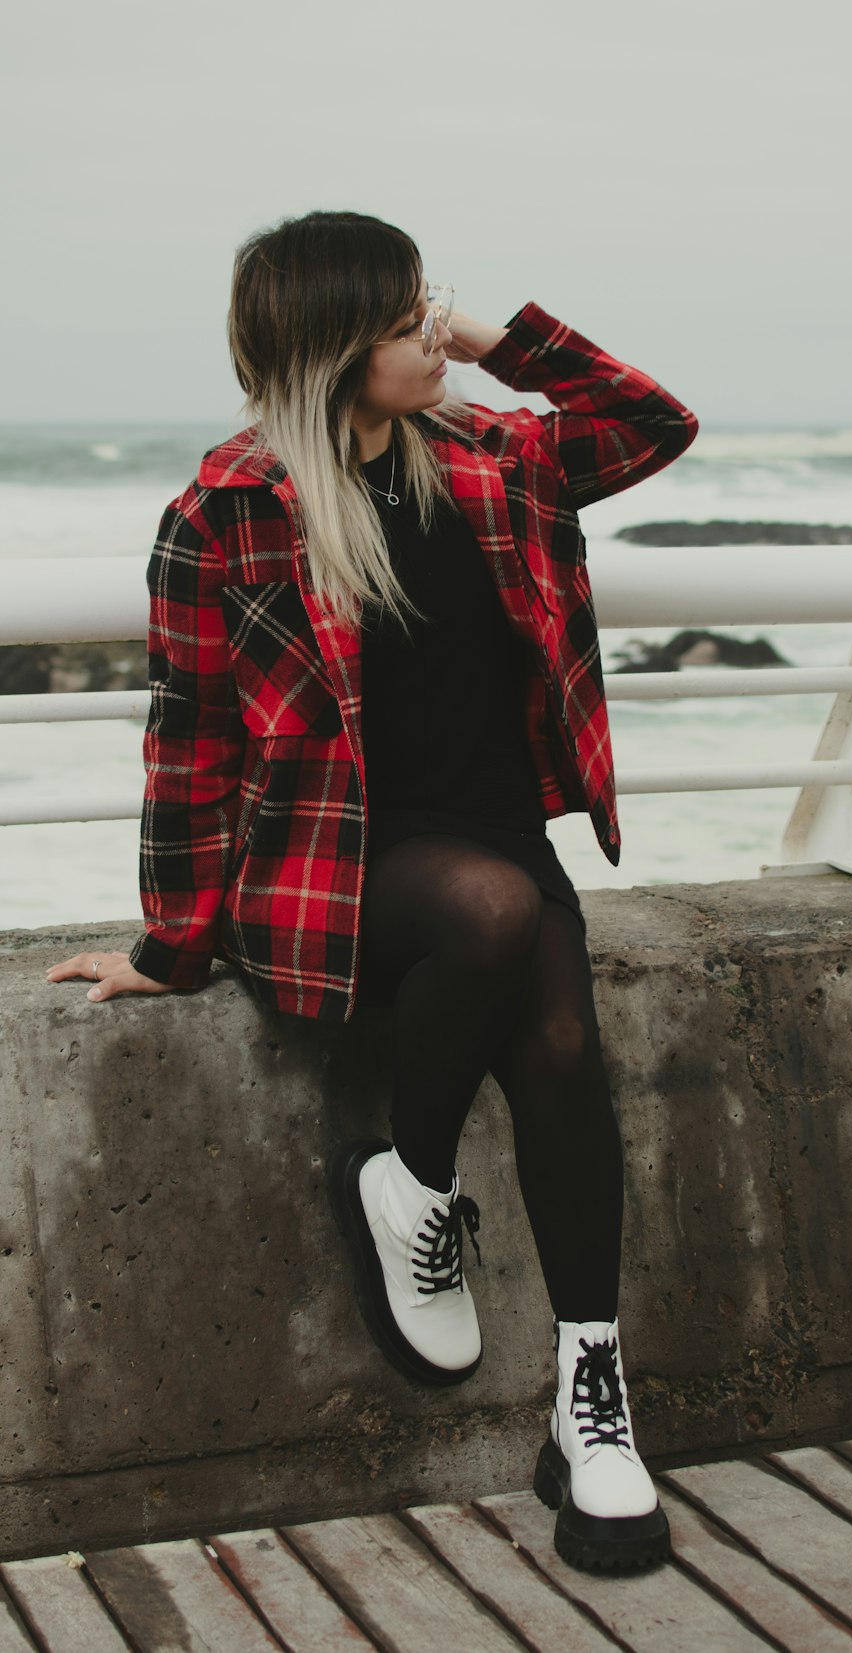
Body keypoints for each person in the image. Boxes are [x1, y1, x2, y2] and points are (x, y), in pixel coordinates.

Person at [47, 211, 698, 1573]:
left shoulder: (486, 453)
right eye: (409, 320)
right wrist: (172, 948)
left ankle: (592, 1393)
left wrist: (482, 337)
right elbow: (192, 740)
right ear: (343, 350)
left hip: (496, 826)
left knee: (566, 1040)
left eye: (432, 314)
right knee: (498, 914)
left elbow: (652, 421)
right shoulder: (226, 507)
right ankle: (410, 1177)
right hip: (337, 862)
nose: (434, 335)